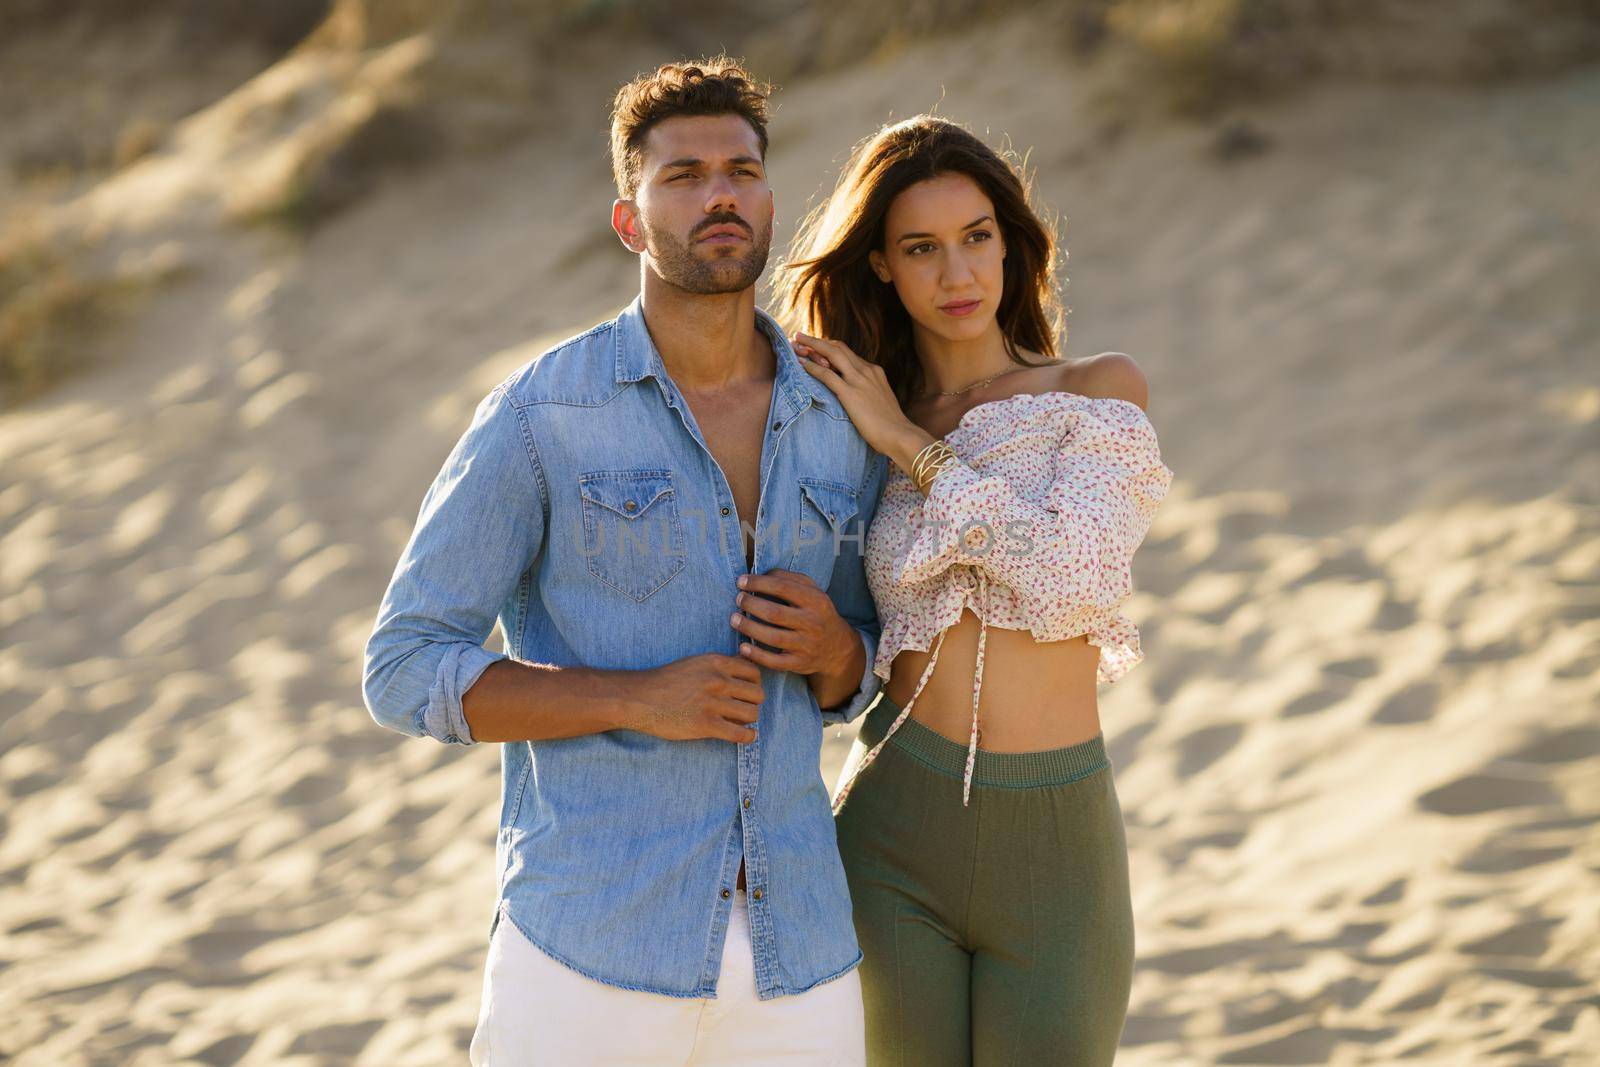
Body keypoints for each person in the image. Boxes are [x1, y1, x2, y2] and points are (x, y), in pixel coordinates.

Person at [362, 56, 888, 1065]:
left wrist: (832, 650)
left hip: (799, 960)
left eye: (741, 168)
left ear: (770, 199)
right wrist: (636, 696)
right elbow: (402, 665)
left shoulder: (834, 419)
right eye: (682, 176)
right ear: (629, 220)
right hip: (589, 950)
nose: (720, 192)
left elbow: (866, 665)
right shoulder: (543, 413)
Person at [773, 115, 1175, 1065]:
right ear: (879, 265)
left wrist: (914, 451)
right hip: (890, 825)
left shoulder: (1096, 392)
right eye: (921, 248)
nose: (957, 275)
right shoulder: (853, 421)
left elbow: (1075, 579)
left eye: (977, 238)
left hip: (1055, 849)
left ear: (1010, 243)